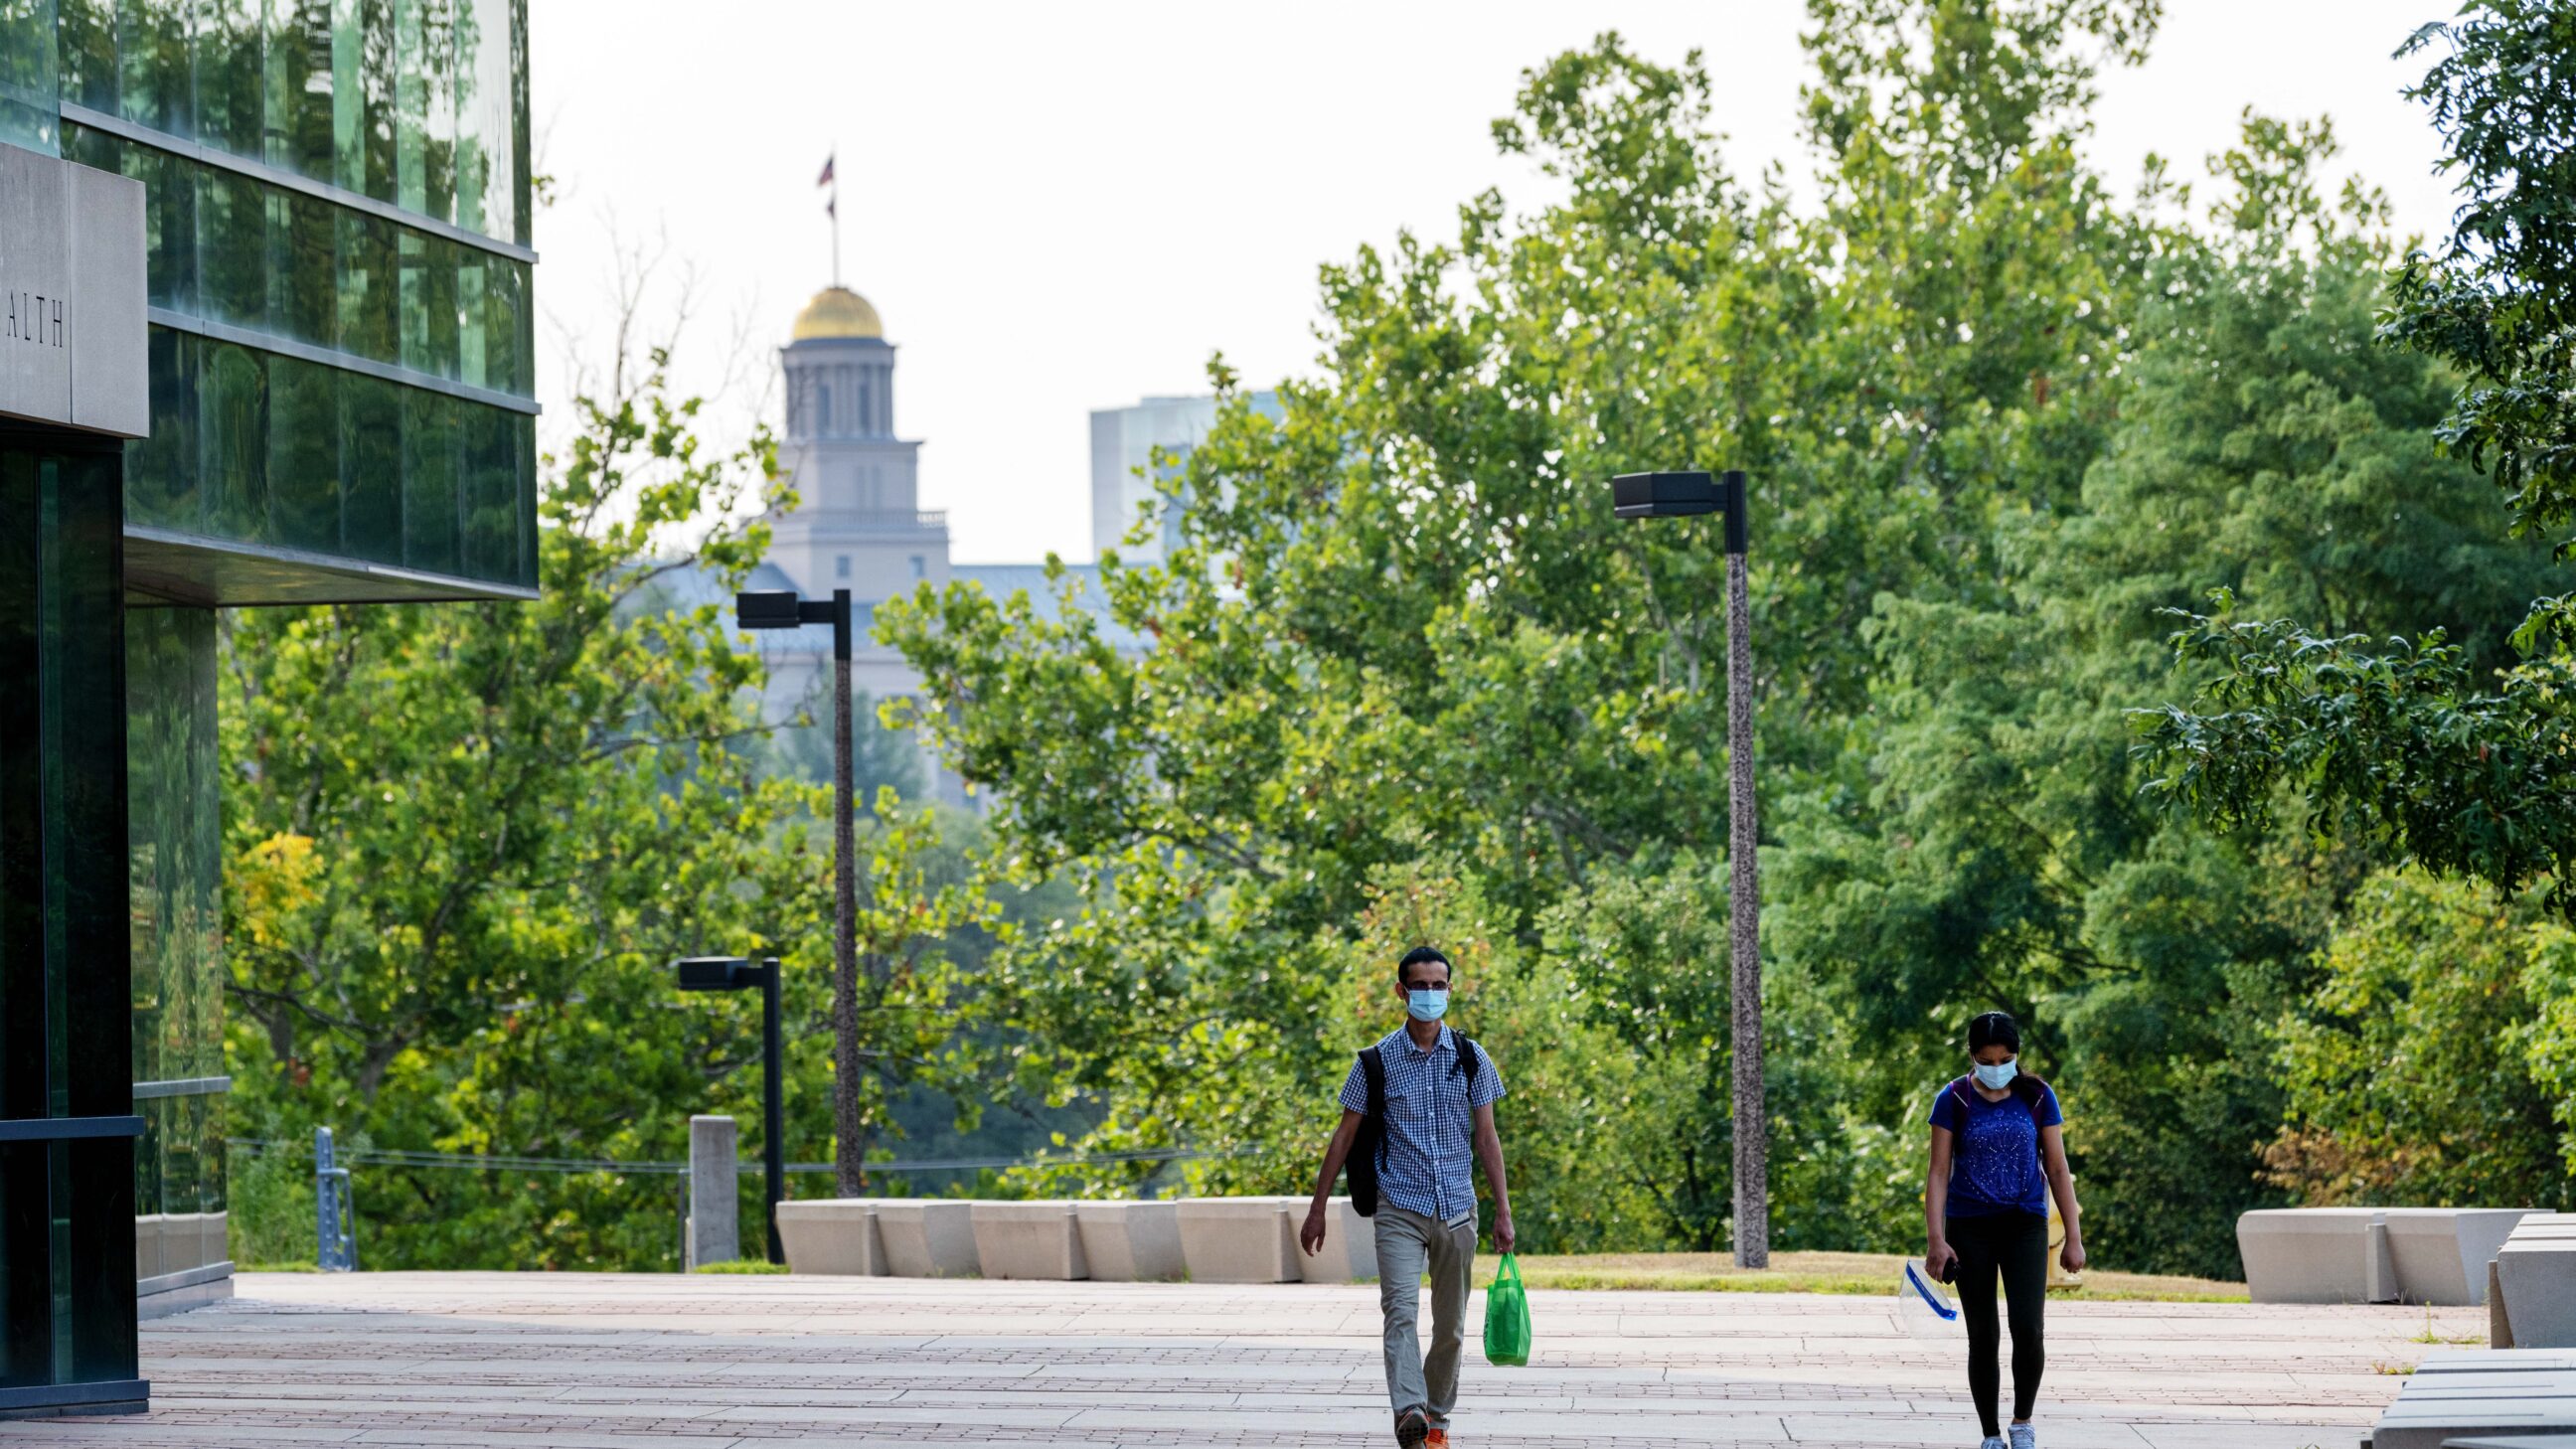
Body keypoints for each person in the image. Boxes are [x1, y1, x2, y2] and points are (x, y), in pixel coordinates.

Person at [1301, 945, 1512, 1449]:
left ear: (1450, 990)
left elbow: (1487, 1137)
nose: (1430, 995)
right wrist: (1316, 1209)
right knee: (1399, 1311)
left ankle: (1436, 1418)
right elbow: (1344, 1135)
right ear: (1402, 991)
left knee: (1451, 1327)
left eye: (1439, 986)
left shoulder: (1470, 1056)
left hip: (1458, 1209)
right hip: (1400, 1207)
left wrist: (1503, 1211)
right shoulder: (1375, 1062)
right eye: (1421, 985)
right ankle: (1409, 1410)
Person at [1924, 1010, 2085, 1449]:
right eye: (1987, 1059)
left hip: (2024, 1225)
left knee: (2028, 1327)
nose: (1997, 1068)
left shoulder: (2037, 1096)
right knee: (1984, 1334)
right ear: (1973, 1055)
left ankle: (2022, 1422)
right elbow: (1938, 1173)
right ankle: (1991, 1434)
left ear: (2017, 1055)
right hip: (1970, 1227)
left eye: (2005, 1058)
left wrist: (2074, 1236)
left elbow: (2056, 1166)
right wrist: (1936, 1240)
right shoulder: (1954, 1098)